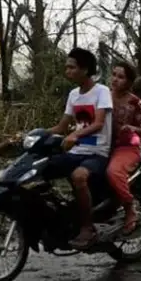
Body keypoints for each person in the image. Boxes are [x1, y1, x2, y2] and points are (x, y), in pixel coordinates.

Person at [46, 47, 113, 249]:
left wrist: (75, 135)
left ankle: (87, 227)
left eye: (71, 67)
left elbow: (98, 124)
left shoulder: (102, 91)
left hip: (97, 153)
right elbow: (61, 126)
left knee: (79, 177)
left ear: (85, 69)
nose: (67, 71)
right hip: (76, 152)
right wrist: (34, 134)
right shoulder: (73, 94)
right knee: (44, 168)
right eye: (66, 67)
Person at [107, 60, 141, 234]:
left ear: (129, 82)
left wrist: (132, 128)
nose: (115, 80)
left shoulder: (135, 103)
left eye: (121, 77)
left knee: (114, 172)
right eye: (114, 75)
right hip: (102, 145)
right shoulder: (103, 96)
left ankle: (129, 209)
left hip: (126, 148)